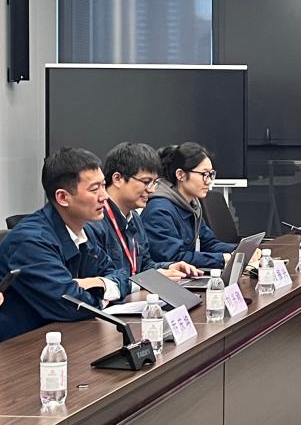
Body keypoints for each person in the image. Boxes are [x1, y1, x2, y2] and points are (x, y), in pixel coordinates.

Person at [0, 148, 131, 342]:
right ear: (62, 197)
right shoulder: (30, 241)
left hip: (67, 337)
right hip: (23, 348)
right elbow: (71, 306)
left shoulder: (84, 231)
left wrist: (99, 283)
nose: (104, 196)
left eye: (104, 185)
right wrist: (104, 293)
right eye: (94, 189)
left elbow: (122, 274)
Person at [88, 142, 202, 283]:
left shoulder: (135, 218)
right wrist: (145, 281)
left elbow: (143, 265)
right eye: (146, 182)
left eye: (155, 182)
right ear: (117, 179)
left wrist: (168, 267)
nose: (152, 190)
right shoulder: (94, 220)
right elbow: (104, 281)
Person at [141, 143, 237, 269]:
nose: (208, 181)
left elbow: (209, 244)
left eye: (211, 174)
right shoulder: (159, 210)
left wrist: (239, 251)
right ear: (180, 174)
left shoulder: (192, 205)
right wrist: (224, 259)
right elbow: (174, 258)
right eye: (204, 174)